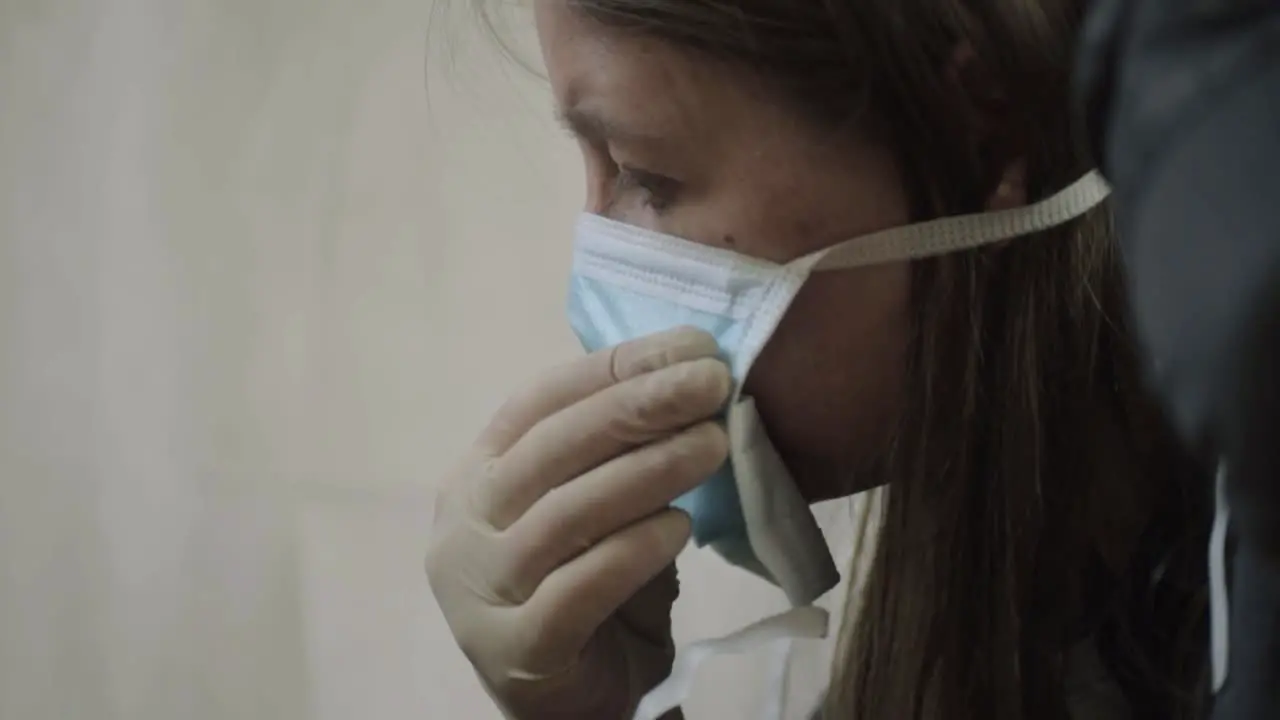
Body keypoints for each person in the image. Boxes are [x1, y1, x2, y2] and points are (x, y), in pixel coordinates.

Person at [424, 1, 1213, 718]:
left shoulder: (1235, 604)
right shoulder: (980, 605)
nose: (601, 272)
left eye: (647, 178)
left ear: (984, 130)